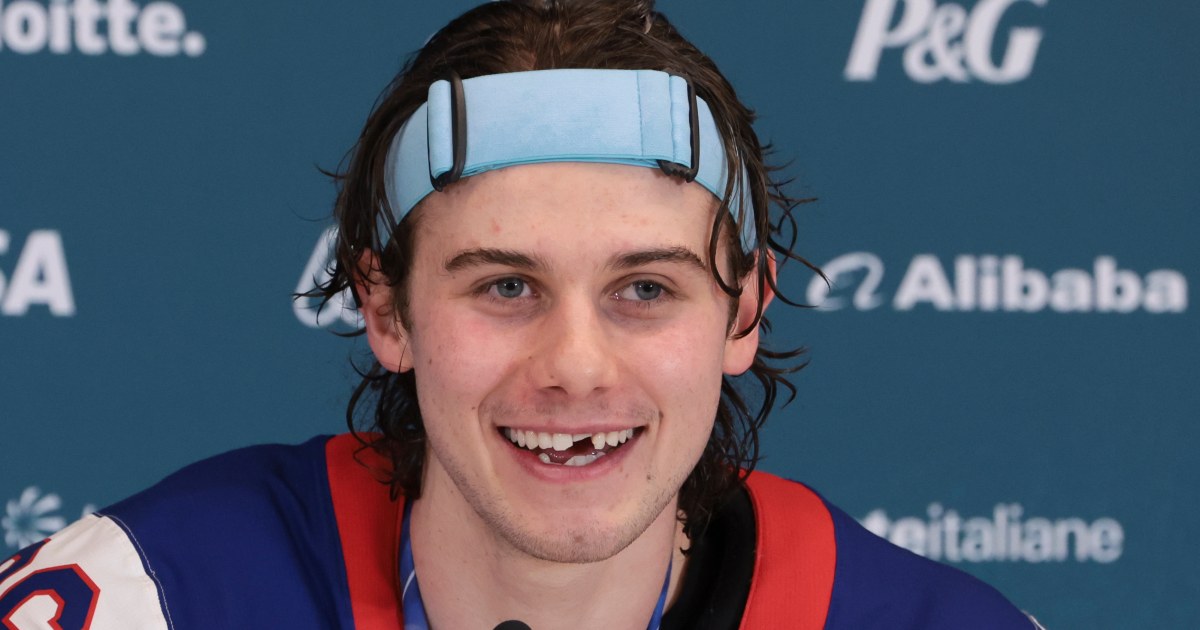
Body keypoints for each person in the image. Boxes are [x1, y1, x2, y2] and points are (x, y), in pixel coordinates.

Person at [0, 1, 1043, 628]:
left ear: (744, 314)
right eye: (505, 286)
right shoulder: (157, 597)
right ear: (385, 310)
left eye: (646, 289)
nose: (576, 366)